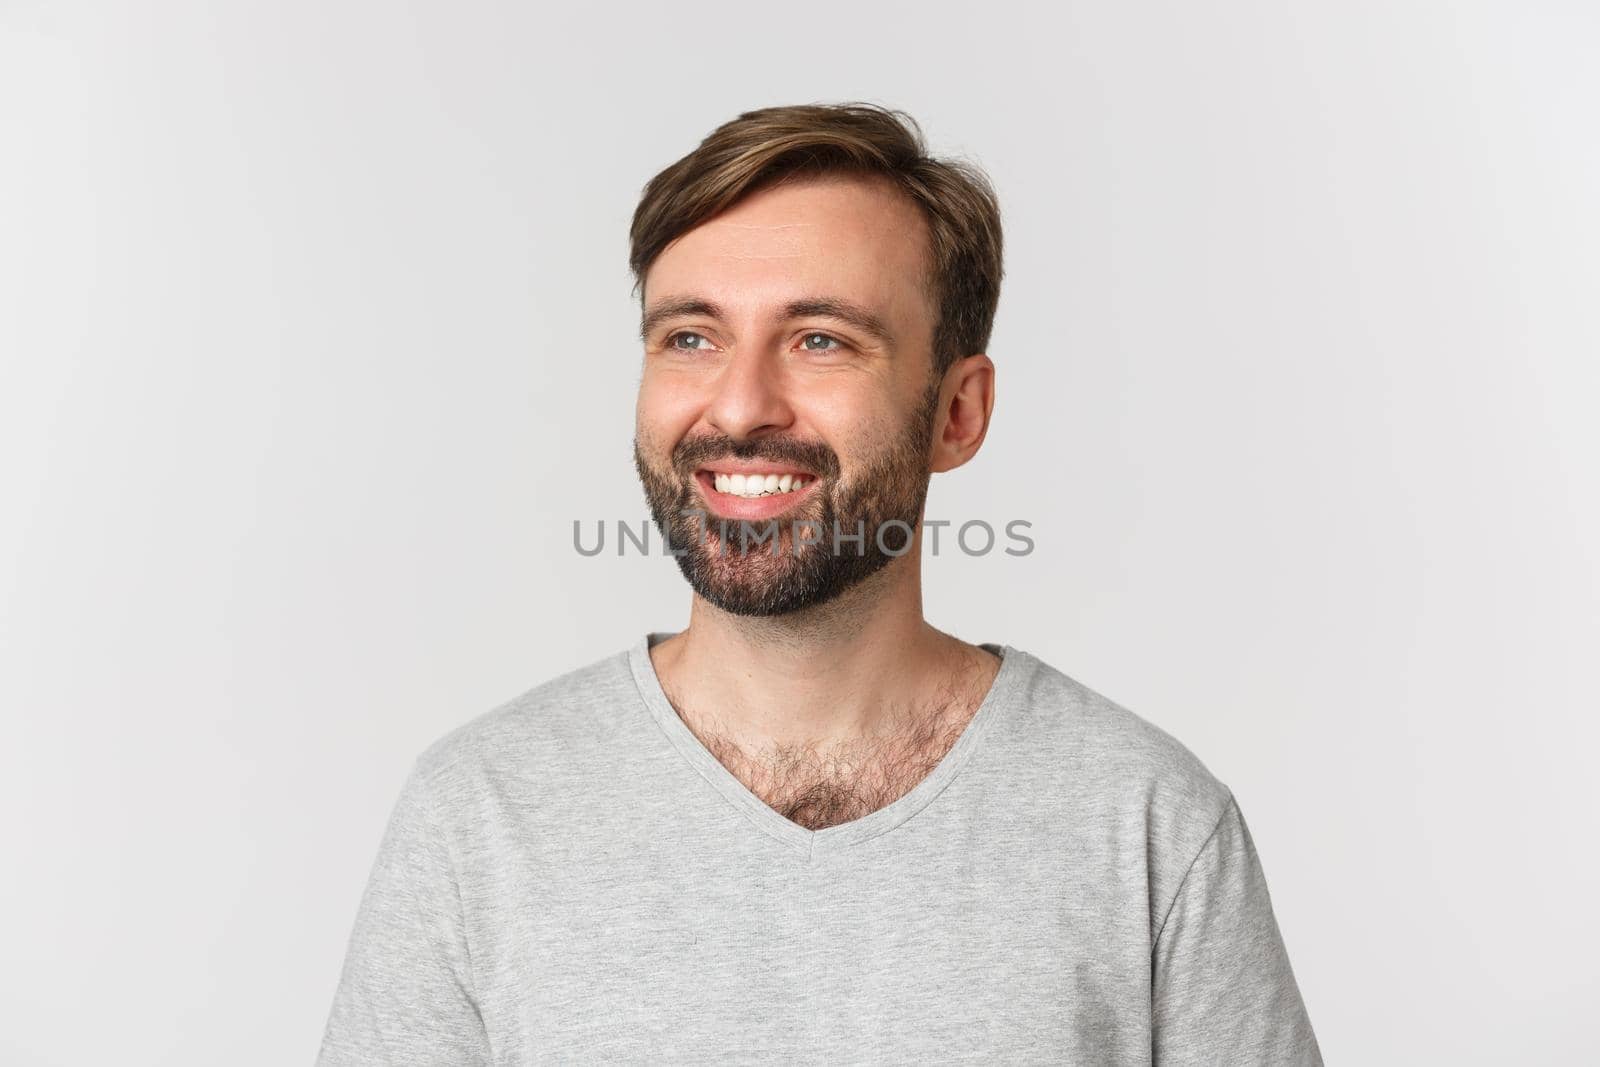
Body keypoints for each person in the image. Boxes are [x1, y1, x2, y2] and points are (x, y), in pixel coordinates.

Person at [317, 102, 1323, 1065]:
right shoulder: (479, 814)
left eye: (820, 340)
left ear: (957, 413)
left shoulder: (1148, 824)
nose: (741, 405)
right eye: (691, 337)